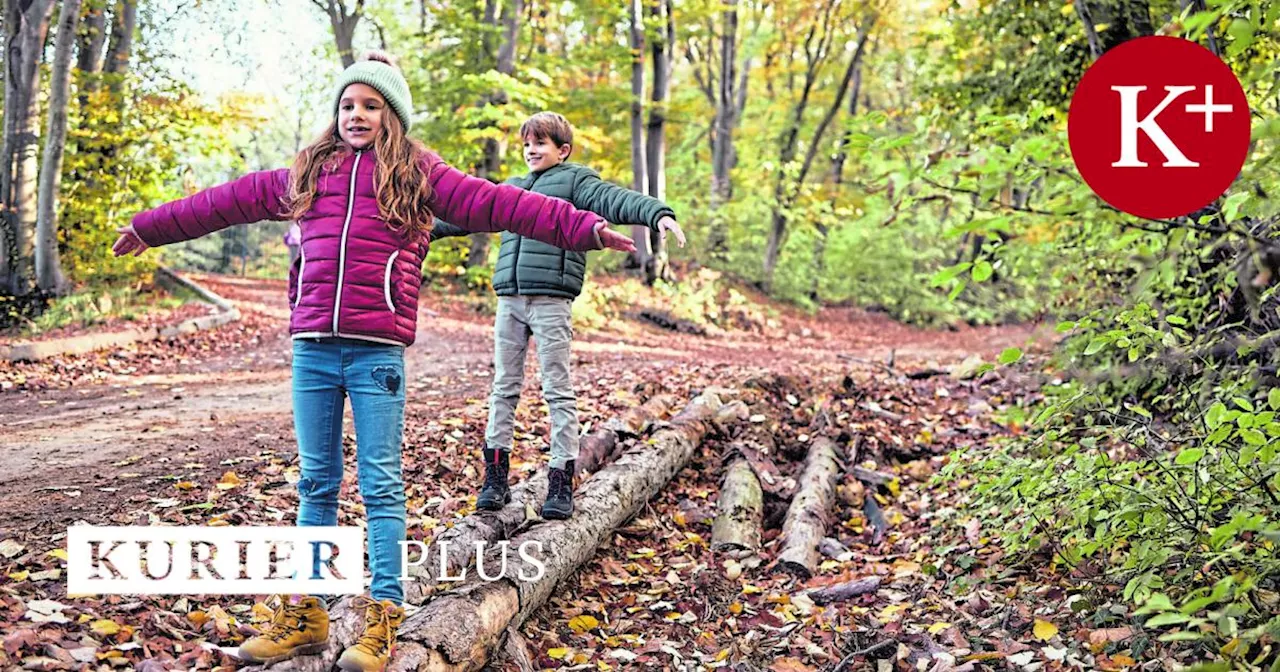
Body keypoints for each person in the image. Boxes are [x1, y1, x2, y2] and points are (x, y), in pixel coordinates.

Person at [111, 52, 635, 672]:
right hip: (312, 348)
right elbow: (224, 202)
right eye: (347, 104)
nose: (355, 115)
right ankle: (306, 611)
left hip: (376, 350)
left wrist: (586, 228)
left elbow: (503, 205)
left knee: (380, 486)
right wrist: (150, 227)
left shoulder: (419, 174)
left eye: (370, 105)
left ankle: (383, 618)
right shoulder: (310, 170)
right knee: (315, 482)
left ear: (392, 115)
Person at [431, 111, 685, 521]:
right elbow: (463, 215)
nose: (531, 150)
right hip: (509, 301)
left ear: (562, 150)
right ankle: (495, 479)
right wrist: (415, 228)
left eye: (541, 143)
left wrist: (657, 212)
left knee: (557, 390)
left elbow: (613, 199)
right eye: (527, 143)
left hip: (551, 301)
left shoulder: (575, 181)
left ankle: (560, 480)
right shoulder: (512, 187)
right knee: (503, 388)